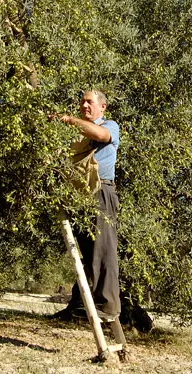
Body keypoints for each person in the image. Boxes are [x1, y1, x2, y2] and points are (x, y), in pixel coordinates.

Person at [52, 90, 121, 321]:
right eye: (82, 102)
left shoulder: (110, 125)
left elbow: (101, 135)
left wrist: (70, 120)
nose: (84, 105)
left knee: (104, 248)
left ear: (103, 107)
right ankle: (84, 303)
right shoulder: (78, 134)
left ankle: (108, 305)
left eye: (89, 102)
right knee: (87, 251)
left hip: (101, 191)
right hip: (81, 196)